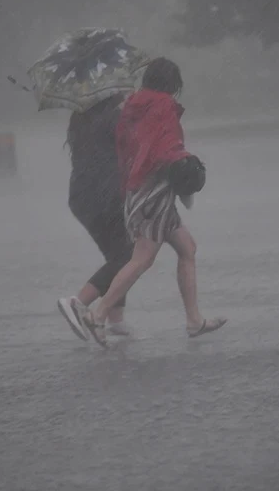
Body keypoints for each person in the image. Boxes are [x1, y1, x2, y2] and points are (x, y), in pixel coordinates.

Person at [80, 57, 226, 346]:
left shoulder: (132, 108)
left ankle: (194, 321)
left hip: (138, 190)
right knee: (142, 259)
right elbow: (165, 147)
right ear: (172, 83)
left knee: (187, 247)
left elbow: (133, 150)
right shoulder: (162, 107)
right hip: (154, 192)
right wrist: (186, 164)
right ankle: (97, 315)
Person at [56, 94, 134, 340]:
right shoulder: (114, 118)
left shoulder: (80, 117)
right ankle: (78, 302)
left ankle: (116, 320)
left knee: (117, 254)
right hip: (104, 196)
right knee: (127, 257)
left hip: (81, 196)